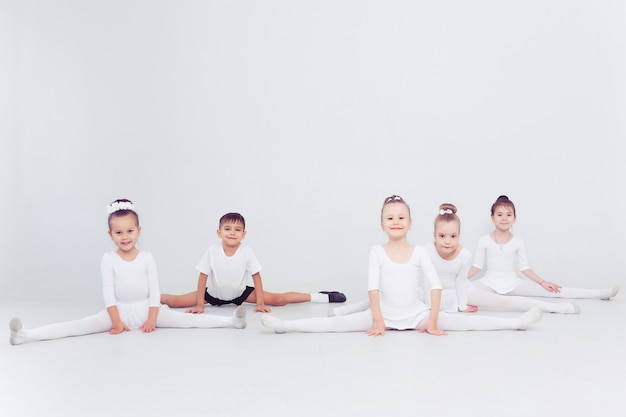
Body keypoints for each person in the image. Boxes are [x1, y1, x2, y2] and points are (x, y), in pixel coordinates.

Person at [261, 195, 542, 335]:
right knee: (338, 326)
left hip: (416, 314)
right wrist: (379, 319)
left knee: (463, 323)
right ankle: (286, 326)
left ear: (409, 223)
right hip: (383, 313)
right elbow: (372, 288)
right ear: (382, 224)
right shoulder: (377, 251)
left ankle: (517, 323)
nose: (396, 222)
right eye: (390, 218)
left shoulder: (419, 251)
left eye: (401, 218)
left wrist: (431, 319)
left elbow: (434, 286)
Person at [9, 199, 246, 345]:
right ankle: (26, 335)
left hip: (147, 310)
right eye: (119, 233)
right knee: (77, 326)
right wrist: (116, 321)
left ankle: (231, 322)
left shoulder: (147, 258)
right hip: (118, 311)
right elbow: (108, 293)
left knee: (187, 321)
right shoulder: (108, 259)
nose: (125, 237)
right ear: (110, 235)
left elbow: (155, 293)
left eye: (129, 231)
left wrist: (152, 319)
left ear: (138, 231)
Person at [160, 212, 346, 314]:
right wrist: (200, 304)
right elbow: (202, 278)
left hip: (242, 294)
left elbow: (256, 277)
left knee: (279, 300)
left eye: (237, 229)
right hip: (213, 295)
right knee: (175, 301)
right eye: (227, 229)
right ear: (219, 233)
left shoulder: (246, 251)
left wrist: (260, 303)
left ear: (244, 234)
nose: (232, 233)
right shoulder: (212, 251)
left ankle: (322, 296)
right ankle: (148, 297)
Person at [423, 203, 583, 314]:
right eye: (442, 236)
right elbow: (429, 280)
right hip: (479, 285)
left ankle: (561, 308)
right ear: (434, 236)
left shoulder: (464, 254)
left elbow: (460, 280)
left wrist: (463, 304)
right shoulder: (427, 251)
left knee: (509, 302)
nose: (447, 240)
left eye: (453, 236)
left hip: (478, 288)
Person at [466, 195, 619, 305]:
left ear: (514, 218)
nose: (504, 218)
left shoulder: (518, 241)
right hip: (488, 283)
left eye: (508, 214)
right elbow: (476, 266)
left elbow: (524, 268)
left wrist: (543, 282)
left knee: (555, 291)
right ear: (492, 218)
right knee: (463, 291)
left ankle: (600, 293)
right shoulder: (484, 240)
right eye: (499, 215)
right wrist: (459, 280)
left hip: (512, 283)